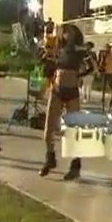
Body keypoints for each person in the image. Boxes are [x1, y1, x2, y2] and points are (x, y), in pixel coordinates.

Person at [39, 23, 91, 181]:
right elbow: (46, 63)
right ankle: (50, 158)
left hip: (72, 91)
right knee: (49, 127)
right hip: (57, 89)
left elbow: (92, 67)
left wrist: (79, 75)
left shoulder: (80, 50)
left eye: (69, 33)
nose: (66, 36)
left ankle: (76, 164)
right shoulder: (57, 49)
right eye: (64, 33)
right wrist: (46, 59)